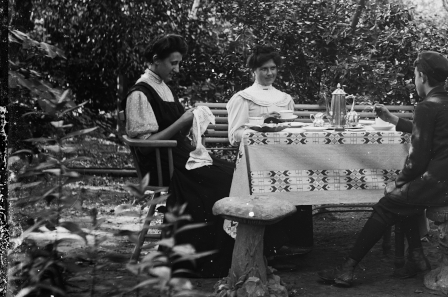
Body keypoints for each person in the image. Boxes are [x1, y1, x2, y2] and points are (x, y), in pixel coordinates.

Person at [318, 51, 448, 287]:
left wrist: (398, 183)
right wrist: (393, 120)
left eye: (415, 75)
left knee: (388, 204)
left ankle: (347, 267)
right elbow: (430, 130)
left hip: (446, 183)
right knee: (406, 199)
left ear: (423, 77)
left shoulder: (427, 106)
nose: (414, 80)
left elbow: (417, 160)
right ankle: (417, 257)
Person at [123, 34, 235, 278]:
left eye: (178, 63)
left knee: (232, 172)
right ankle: (205, 260)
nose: (177, 68)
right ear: (156, 60)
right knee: (221, 181)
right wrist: (182, 120)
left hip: (177, 154)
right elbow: (146, 145)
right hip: (160, 163)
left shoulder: (162, 86)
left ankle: (231, 253)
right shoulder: (140, 93)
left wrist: (195, 120)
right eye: (173, 63)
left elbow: (175, 129)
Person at [226, 44, 314, 264]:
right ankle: (273, 247)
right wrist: (262, 124)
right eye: (264, 69)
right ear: (254, 70)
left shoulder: (284, 98)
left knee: (300, 177)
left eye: (273, 68)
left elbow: (291, 130)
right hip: (256, 162)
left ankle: (298, 244)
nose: (269, 73)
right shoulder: (244, 98)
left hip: (285, 158)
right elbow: (235, 135)